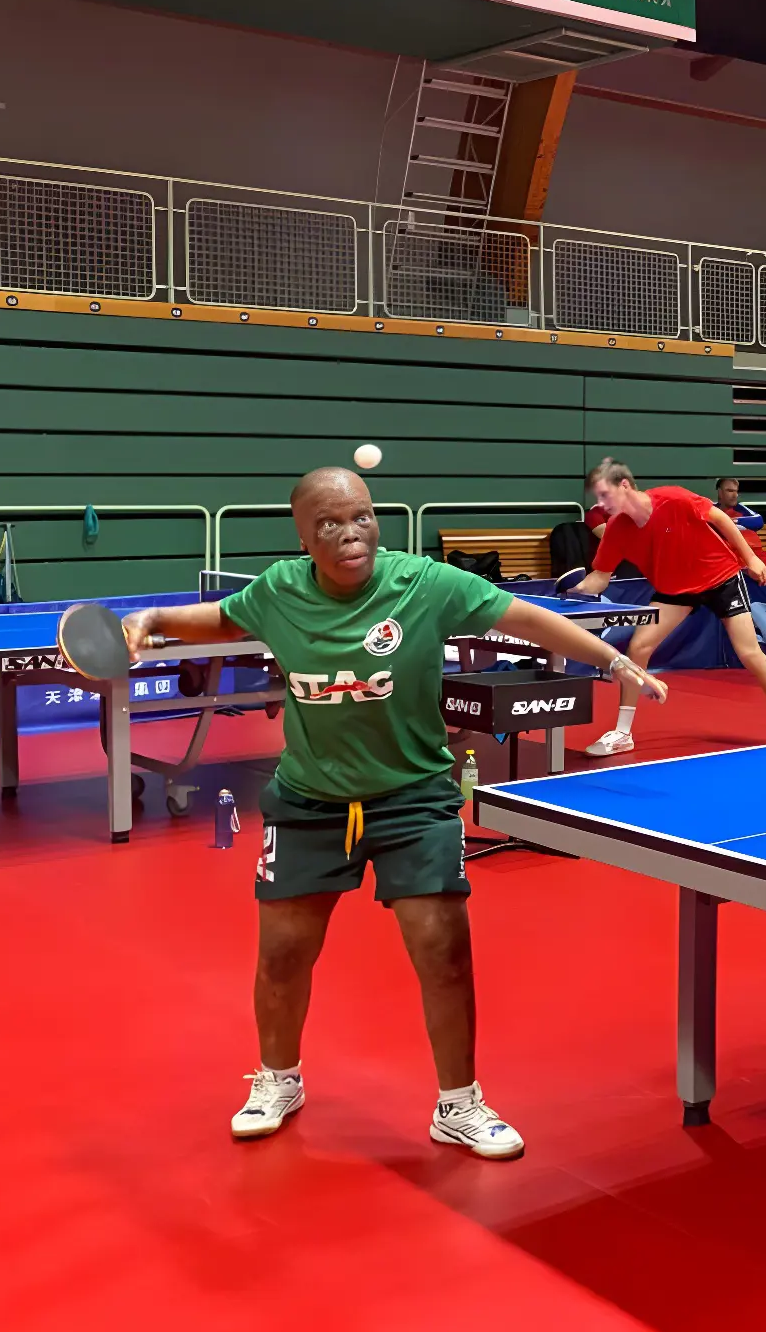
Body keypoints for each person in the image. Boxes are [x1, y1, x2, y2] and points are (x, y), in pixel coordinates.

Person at [120, 467, 667, 1153]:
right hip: (311, 799)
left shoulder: (423, 584)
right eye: (329, 524)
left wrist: (611, 663)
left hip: (413, 796)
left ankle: (458, 1104)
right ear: (303, 536)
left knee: (443, 950)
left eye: (362, 517)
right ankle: (277, 1077)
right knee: (285, 953)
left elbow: (524, 616)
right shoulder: (278, 592)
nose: (351, 534)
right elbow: (211, 620)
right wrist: (144, 621)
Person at [564, 458, 766, 755]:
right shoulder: (616, 529)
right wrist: (572, 592)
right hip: (674, 590)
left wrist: (750, 559)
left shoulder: (673, 498)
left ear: (624, 486)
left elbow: (721, 519)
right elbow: (600, 578)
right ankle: (623, 733)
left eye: (604, 495)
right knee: (638, 648)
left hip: (720, 578)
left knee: (748, 652)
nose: (601, 504)